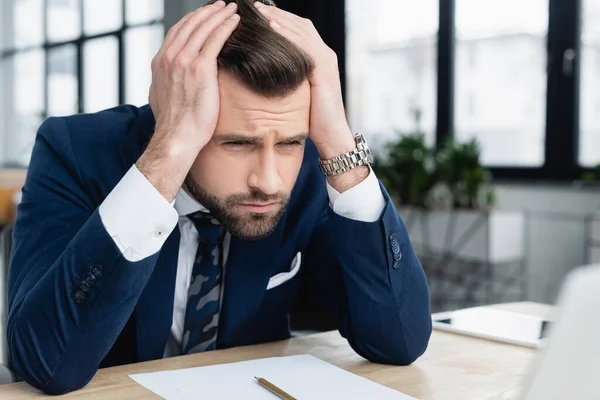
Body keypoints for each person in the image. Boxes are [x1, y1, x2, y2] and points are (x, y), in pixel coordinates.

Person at [6, 0, 431, 395]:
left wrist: (339, 144)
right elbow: (47, 363)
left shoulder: (307, 172)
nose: (268, 180)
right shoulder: (75, 151)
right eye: (236, 144)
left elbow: (399, 339)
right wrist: (169, 148)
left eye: (289, 142)